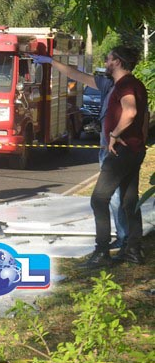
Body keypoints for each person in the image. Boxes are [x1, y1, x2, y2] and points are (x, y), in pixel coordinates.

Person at [35, 47, 148, 266]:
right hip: (133, 150)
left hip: (120, 151)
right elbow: (77, 75)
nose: (105, 61)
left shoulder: (124, 85)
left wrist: (115, 134)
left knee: (99, 199)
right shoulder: (129, 84)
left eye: (108, 58)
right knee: (128, 202)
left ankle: (102, 252)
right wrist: (50, 61)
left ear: (116, 61)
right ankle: (133, 250)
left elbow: (132, 111)